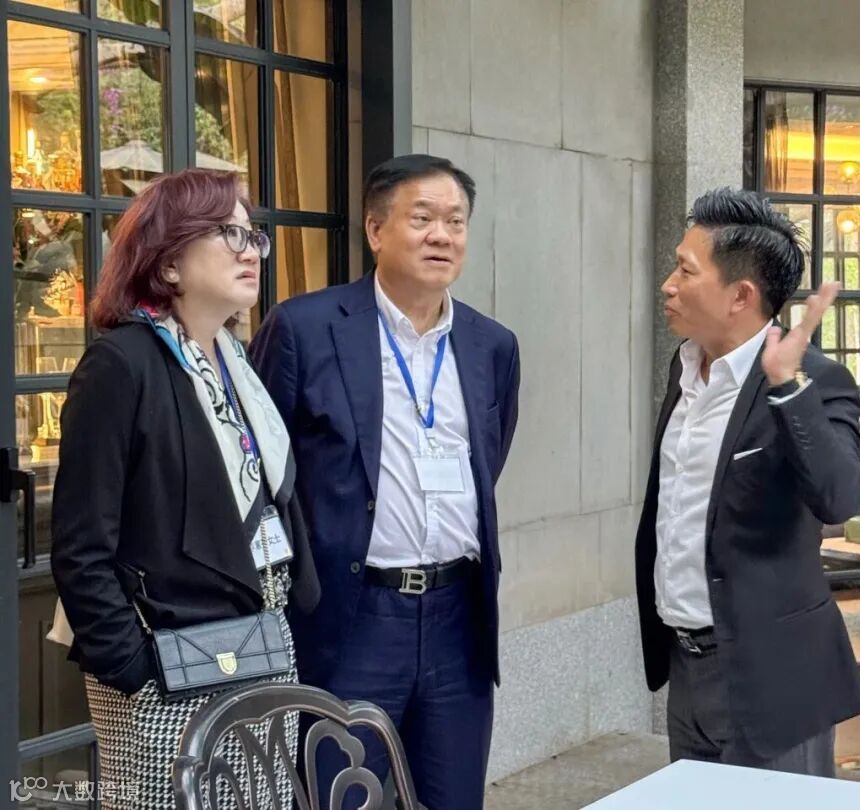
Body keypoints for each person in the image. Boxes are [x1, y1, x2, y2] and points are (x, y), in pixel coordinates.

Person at [250, 153, 520, 809]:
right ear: (376, 230)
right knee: (341, 795)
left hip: (458, 619)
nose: (442, 236)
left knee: (454, 798)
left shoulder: (491, 345)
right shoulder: (305, 328)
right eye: (422, 218)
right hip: (352, 618)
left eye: (455, 221)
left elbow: (490, 459)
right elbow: (261, 471)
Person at [50, 168, 320, 809]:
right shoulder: (121, 365)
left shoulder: (234, 361)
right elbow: (82, 548)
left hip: (260, 644)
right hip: (164, 663)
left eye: (254, 235)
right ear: (168, 262)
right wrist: (132, 667)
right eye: (228, 233)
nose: (251, 250)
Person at [635, 187, 860, 776]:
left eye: (685, 271)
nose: (668, 284)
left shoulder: (815, 380)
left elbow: (840, 496)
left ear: (740, 294)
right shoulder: (685, 368)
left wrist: (789, 389)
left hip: (772, 676)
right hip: (686, 665)